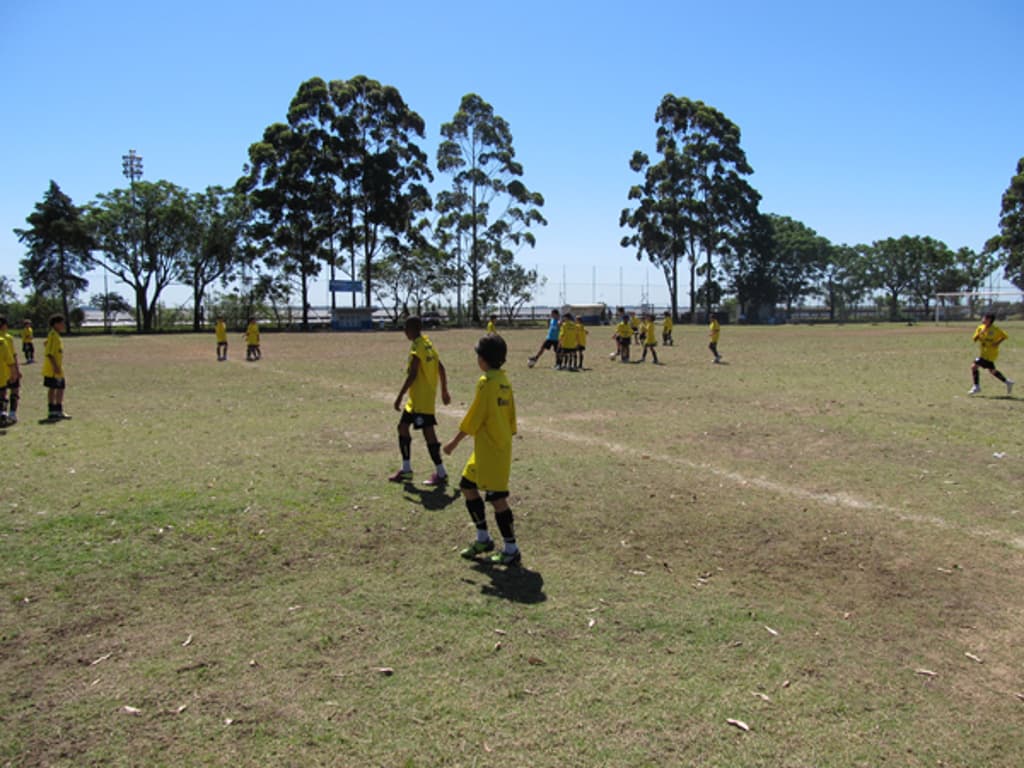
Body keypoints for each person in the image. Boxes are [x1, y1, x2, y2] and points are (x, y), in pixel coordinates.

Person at [444, 333, 521, 566]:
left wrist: (454, 442)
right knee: (467, 485)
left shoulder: (487, 383)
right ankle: (483, 538)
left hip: (493, 449)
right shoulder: (504, 380)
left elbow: (474, 417)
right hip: (491, 446)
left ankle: (511, 548)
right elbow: (511, 416)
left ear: (483, 359)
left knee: (497, 499)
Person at [390, 315, 452, 485]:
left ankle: (441, 473)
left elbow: (413, 374)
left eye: (405, 329)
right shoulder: (428, 344)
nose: (404, 332)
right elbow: (441, 367)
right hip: (416, 400)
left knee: (429, 434)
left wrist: (399, 396)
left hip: (422, 401)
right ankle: (406, 469)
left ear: (411, 329)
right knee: (402, 427)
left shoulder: (418, 347)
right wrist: (444, 391)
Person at [968, 313, 1014, 395]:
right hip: (983, 353)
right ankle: (1007, 382)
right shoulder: (980, 328)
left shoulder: (995, 329)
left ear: (989, 320)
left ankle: (976, 386)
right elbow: (974, 339)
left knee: (974, 366)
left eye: (985, 318)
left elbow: (1005, 336)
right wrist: (979, 334)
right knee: (992, 371)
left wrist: (997, 343)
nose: (983, 319)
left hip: (991, 354)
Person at [42, 314, 69, 421]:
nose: (63, 325)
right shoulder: (53, 335)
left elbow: (47, 346)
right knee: (55, 388)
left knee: (58, 388)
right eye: (62, 323)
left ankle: (57, 410)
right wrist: (56, 367)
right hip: (53, 369)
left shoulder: (55, 336)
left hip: (57, 368)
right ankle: (54, 411)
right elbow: (49, 353)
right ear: (56, 324)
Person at [0, 316, 21, 426]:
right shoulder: (7, 338)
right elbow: (12, 356)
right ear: (4, 326)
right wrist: (17, 370)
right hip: (9, 370)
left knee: (2, 394)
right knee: (14, 390)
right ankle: (12, 413)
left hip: (2, 372)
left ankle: (2, 413)